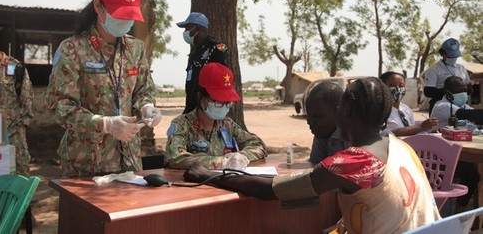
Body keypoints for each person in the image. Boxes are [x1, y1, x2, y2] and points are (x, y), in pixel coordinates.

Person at [184, 77, 440, 233]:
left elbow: (272, 190)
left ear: (344, 109)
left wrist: (213, 176)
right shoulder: (402, 147)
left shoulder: (353, 162)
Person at [45, 0, 161, 177]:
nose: (126, 22)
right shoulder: (73, 50)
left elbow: (144, 90)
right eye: (120, 15)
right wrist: (105, 124)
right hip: (86, 164)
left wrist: (147, 107)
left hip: (130, 160)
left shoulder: (135, 48)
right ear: (98, 7)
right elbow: (60, 108)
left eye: (130, 16)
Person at [165, 62, 267, 169]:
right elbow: (175, 157)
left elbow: (258, 145)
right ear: (200, 96)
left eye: (228, 102)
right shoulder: (182, 125)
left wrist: (241, 157)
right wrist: (222, 162)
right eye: (218, 102)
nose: (224, 106)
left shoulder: (227, 125)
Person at [0, 25, 34, 176]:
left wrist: (20, 129)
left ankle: (22, 200)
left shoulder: (15, 67)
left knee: (20, 173)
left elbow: (26, 100)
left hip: (13, 133)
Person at [431, 76, 482, 209]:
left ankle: (462, 207)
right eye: (459, 91)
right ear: (448, 92)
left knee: (473, 175)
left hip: (460, 151)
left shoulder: (464, 105)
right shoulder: (442, 106)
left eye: (465, 90)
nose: (464, 94)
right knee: (472, 176)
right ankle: (459, 209)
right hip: (440, 157)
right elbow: (470, 115)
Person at [176, 12, 228, 114]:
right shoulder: (195, 51)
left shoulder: (217, 48)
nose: (185, 32)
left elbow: (220, 79)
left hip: (208, 109)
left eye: (188, 28)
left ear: (198, 28)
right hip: (192, 108)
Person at [380, 71, 438, 136]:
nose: (397, 89)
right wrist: (420, 127)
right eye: (391, 85)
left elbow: (412, 128)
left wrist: (427, 126)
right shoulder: (380, 111)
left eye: (401, 85)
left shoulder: (406, 109)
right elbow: (383, 134)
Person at [424, 38, 472, 115]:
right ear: (443, 54)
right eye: (450, 57)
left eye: (455, 57)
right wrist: (450, 91)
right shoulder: (434, 70)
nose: (453, 59)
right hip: (441, 106)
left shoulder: (461, 68)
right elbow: (428, 92)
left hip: (460, 105)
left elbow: (468, 87)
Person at [306, 81, 348, 164]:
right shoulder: (322, 132)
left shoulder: (351, 137)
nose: (310, 122)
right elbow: (315, 165)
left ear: (338, 112)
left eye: (318, 117)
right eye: (309, 116)